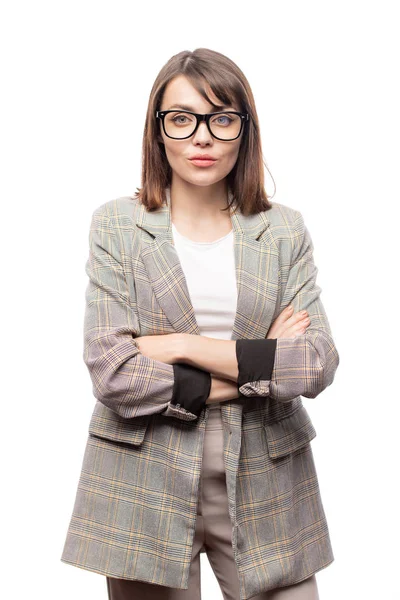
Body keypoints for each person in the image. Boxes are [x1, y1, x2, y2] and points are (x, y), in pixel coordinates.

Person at [60, 48, 340, 600]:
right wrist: (259, 358)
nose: (203, 137)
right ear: (158, 130)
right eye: (182, 118)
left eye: (222, 118)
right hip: (143, 478)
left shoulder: (282, 231)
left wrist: (180, 345)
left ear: (244, 130)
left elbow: (316, 361)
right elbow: (114, 372)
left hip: (269, 478)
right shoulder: (117, 226)